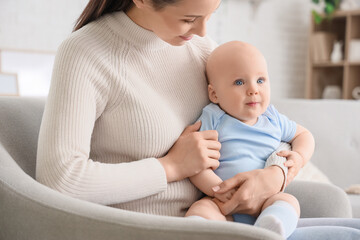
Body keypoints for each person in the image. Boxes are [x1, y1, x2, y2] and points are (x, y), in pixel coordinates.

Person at [36, 0, 360, 239]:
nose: (204, 32)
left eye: (211, 15)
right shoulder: (86, 53)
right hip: (156, 229)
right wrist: (172, 167)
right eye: (190, 18)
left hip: (226, 222)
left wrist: (275, 177)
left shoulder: (202, 50)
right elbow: (61, 179)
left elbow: (257, 128)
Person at [185, 41, 313, 238]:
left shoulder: (273, 118)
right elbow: (195, 163)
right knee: (201, 209)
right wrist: (217, 189)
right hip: (222, 203)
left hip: (264, 202)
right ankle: (197, 231)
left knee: (289, 202)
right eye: (239, 82)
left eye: (260, 80)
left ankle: (270, 228)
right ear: (214, 94)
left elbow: (304, 135)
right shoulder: (213, 117)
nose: (253, 89)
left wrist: (299, 157)